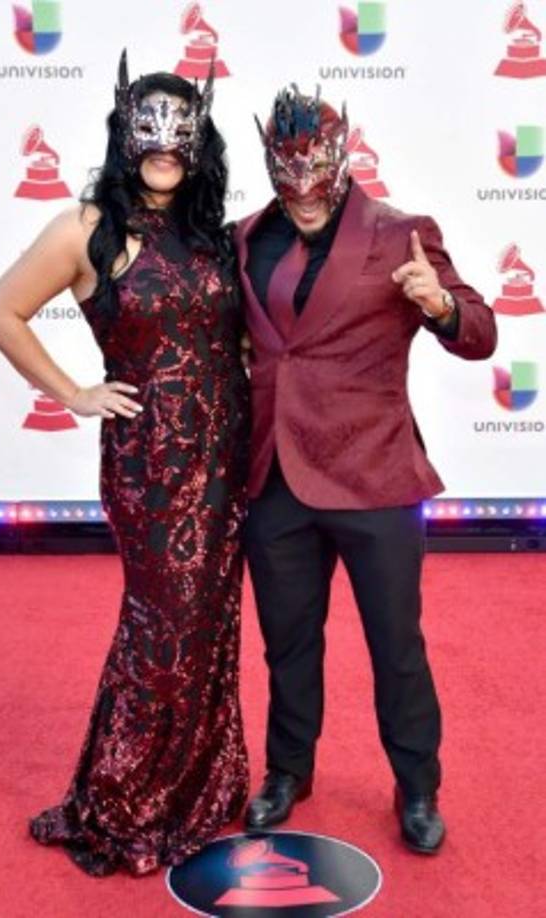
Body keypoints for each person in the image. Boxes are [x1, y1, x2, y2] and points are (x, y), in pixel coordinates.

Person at [0, 52, 250, 876]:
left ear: (200, 141)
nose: (165, 144)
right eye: (150, 127)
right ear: (125, 133)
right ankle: (125, 797)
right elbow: (1, 312)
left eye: (181, 129)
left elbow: (233, 336)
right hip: (149, 469)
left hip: (227, 455)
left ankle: (201, 787)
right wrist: (74, 391)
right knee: (159, 628)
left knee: (211, 626)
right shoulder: (83, 227)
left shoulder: (214, 232)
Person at [236, 85, 497, 854]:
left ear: (343, 160)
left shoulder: (400, 233)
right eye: (291, 184)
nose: (306, 200)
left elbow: (479, 332)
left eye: (317, 183)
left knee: (396, 644)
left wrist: (441, 306)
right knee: (288, 641)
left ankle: (417, 788)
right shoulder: (246, 236)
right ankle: (288, 771)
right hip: (276, 476)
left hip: (374, 475)